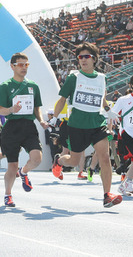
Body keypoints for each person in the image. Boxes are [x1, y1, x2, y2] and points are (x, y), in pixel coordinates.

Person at [51, 43, 123, 208]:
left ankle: (107, 195)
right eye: (80, 57)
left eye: (87, 56)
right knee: (75, 161)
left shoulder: (102, 78)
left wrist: (107, 110)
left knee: (105, 157)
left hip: (97, 123)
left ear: (94, 59)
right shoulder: (74, 78)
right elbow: (62, 99)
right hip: (77, 125)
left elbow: (101, 98)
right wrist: (54, 118)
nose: (83, 60)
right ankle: (59, 161)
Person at [0, 53, 48, 207]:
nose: (24, 67)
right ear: (12, 66)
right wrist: (12, 109)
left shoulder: (33, 86)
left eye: (26, 64)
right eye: (20, 64)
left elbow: (37, 108)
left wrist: (41, 120)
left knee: (37, 158)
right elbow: (1, 111)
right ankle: (8, 194)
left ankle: (23, 172)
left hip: (29, 127)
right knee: (12, 165)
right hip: (12, 128)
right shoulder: (5, 86)